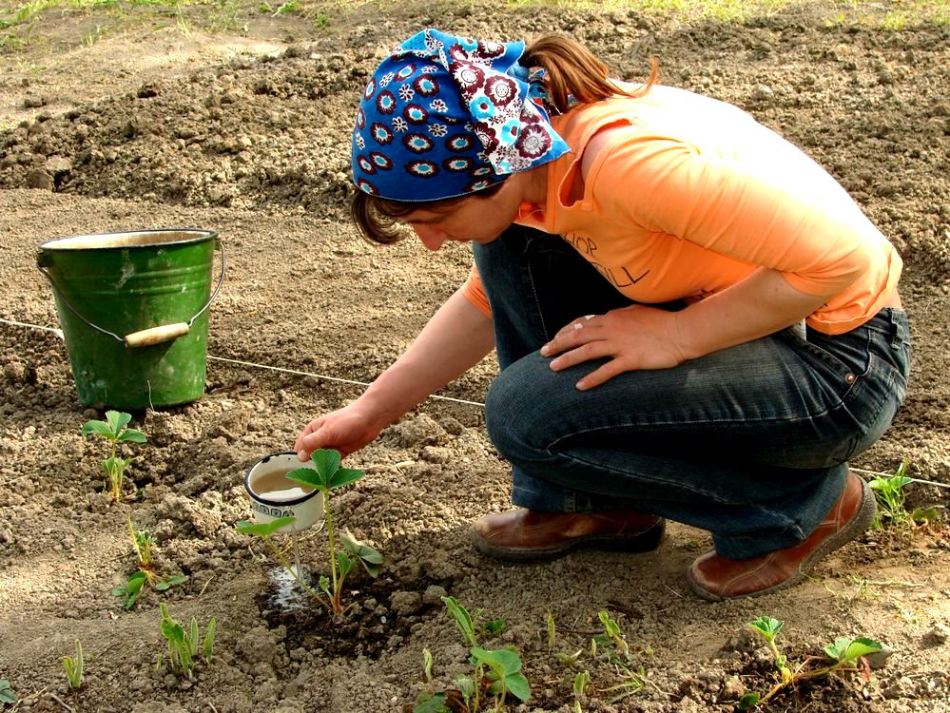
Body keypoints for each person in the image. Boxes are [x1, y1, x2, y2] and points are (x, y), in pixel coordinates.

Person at [294, 28, 910, 601]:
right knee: (509, 243)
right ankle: (592, 504)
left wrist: (675, 335)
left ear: (495, 172)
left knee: (526, 413)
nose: (429, 243)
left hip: (841, 367)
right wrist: (370, 412)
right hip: (762, 314)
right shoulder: (531, 157)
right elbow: (492, 300)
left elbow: (846, 260)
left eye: (434, 220)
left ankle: (800, 510)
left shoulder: (624, 167)